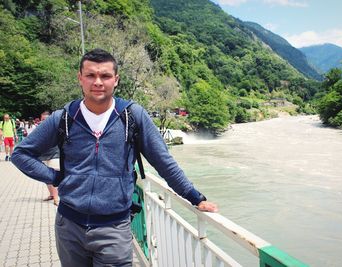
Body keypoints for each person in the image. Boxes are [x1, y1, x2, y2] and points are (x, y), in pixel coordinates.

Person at [11, 48, 218, 266]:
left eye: (105, 76)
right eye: (91, 75)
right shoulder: (64, 118)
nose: (98, 82)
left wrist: (195, 197)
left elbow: (163, 162)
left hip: (114, 228)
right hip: (69, 226)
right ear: (80, 78)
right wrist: (57, 177)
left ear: (116, 80)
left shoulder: (132, 116)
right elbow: (21, 154)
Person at [39, 111, 60, 206]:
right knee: (46, 177)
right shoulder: (39, 129)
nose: (44, 121)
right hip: (43, 155)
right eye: (43, 119)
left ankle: (57, 197)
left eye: (46, 119)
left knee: (53, 176)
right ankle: (52, 195)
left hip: (55, 154)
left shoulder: (56, 127)